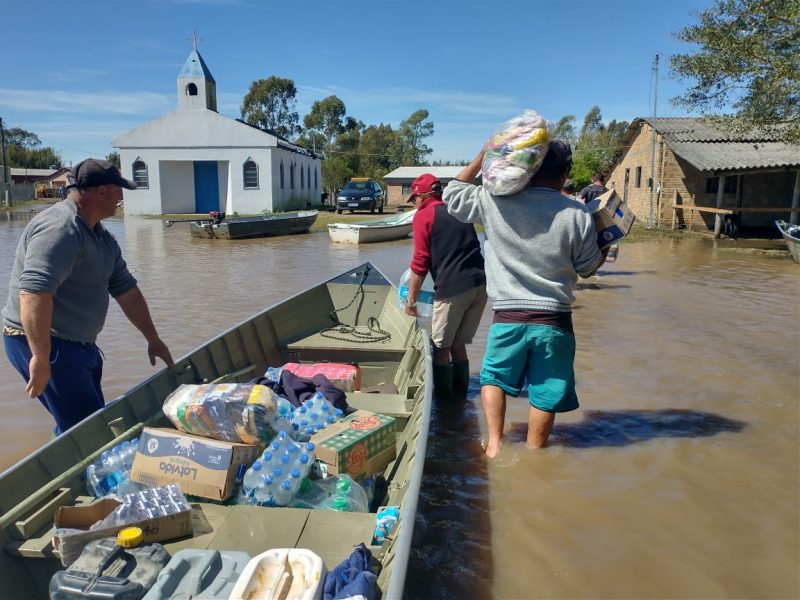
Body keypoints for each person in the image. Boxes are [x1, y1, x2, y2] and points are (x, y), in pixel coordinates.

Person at [444, 141, 607, 456]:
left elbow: (452, 194)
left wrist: (482, 155)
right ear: (566, 173)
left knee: (493, 379)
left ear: (528, 168)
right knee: (546, 392)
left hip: (507, 318)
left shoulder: (495, 201)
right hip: (555, 321)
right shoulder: (576, 213)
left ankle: (494, 443)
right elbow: (588, 268)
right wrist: (608, 242)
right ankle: (536, 452)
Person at [2, 158, 175, 435]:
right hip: (46, 342)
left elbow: (127, 291)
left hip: (77, 345)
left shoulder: (101, 237)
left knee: (83, 422)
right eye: (118, 190)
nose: (121, 197)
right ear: (101, 191)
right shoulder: (60, 230)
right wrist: (40, 356)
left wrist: (153, 339)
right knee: (87, 431)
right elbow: (34, 293)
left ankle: (72, 469)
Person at [404, 173, 487, 401]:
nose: (415, 203)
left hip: (453, 290)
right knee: (458, 344)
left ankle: (445, 409)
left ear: (422, 196)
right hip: (480, 285)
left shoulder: (424, 215)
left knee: (440, 347)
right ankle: (462, 400)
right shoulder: (458, 208)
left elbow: (420, 262)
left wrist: (411, 301)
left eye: (415, 198)